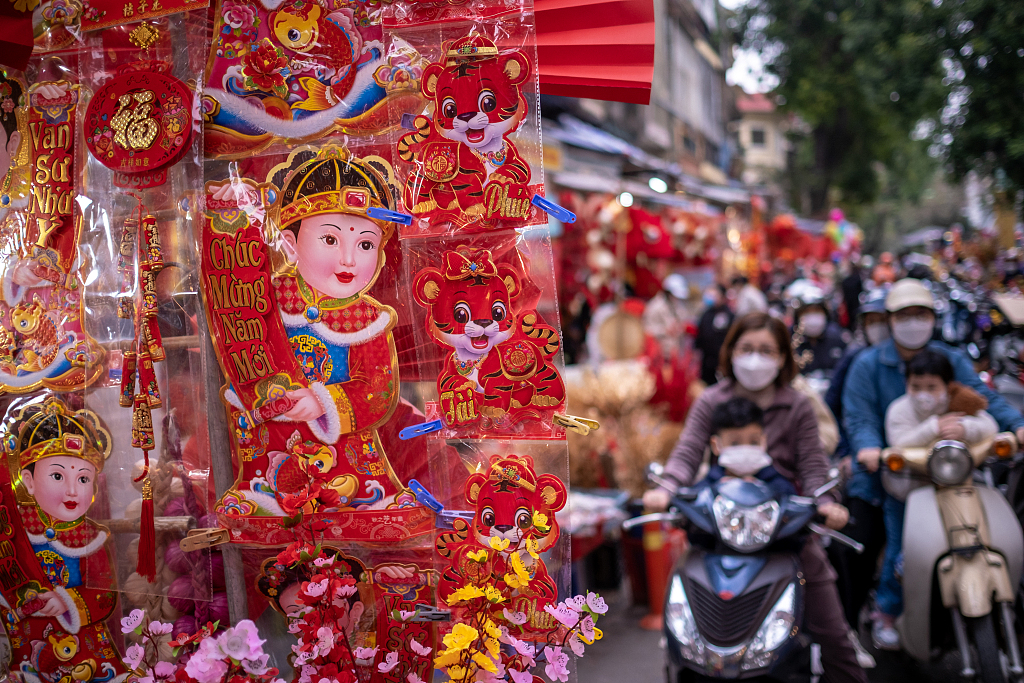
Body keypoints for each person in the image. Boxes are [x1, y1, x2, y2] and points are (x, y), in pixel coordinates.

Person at [644, 312, 868, 683]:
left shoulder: (797, 405)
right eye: (746, 348)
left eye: (766, 350)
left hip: (785, 532)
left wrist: (825, 504)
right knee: (681, 627)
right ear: (730, 351)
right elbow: (687, 454)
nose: (755, 358)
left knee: (833, 632)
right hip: (718, 529)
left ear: (782, 358)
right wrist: (665, 489)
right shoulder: (711, 400)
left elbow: (813, 466)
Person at [842, 278, 1024, 650]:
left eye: (921, 314)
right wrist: (869, 450)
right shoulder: (866, 364)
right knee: (859, 546)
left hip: (948, 472)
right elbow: (859, 419)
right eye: (904, 315)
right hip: (889, 477)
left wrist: (1018, 425)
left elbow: (982, 398)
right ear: (889, 320)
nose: (913, 322)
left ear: (933, 318)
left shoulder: (951, 358)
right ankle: (850, 629)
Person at [870, 349, 998, 648]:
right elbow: (898, 442)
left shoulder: (959, 403)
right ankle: (886, 611)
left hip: (951, 492)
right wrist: (933, 429)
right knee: (900, 553)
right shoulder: (900, 410)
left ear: (948, 386)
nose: (923, 395)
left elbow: (989, 426)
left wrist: (965, 427)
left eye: (932, 387)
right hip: (906, 495)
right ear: (907, 385)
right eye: (916, 387)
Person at [0, 397, 131, 683]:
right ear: (29, 481)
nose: (73, 491)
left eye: (83, 479)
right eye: (58, 476)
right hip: (26, 645)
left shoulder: (90, 539)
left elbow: (105, 594)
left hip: (83, 647)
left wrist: (67, 601)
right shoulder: (14, 532)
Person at [697, 396, 796, 498]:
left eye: (754, 442)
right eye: (734, 443)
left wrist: (765, 490)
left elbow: (793, 504)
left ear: (764, 442)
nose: (745, 448)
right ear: (716, 445)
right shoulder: (707, 486)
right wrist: (716, 489)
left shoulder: (779, 486)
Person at [792, 289, 847, 376]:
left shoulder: (837, 338)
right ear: (798, 316)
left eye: (817, 311)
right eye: (807, 312)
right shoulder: (791, 341)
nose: (813, 316)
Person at [642, 273, 691, 358]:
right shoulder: (655, 307)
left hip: (675, 351)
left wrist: (680, 328)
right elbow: (646, 330)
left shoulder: (677, 304)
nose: (676, 299)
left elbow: (682, 320)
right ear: (667, 292)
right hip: (659, 352)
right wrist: (665, 330)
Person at [693, 284, 732, 386]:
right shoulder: (706, 313)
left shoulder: (728, 314)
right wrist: (696, 349)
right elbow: (699, 333)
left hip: (719, 359)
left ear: (723, 297)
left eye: (715, 295)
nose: (712, 297)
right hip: (706, 359)